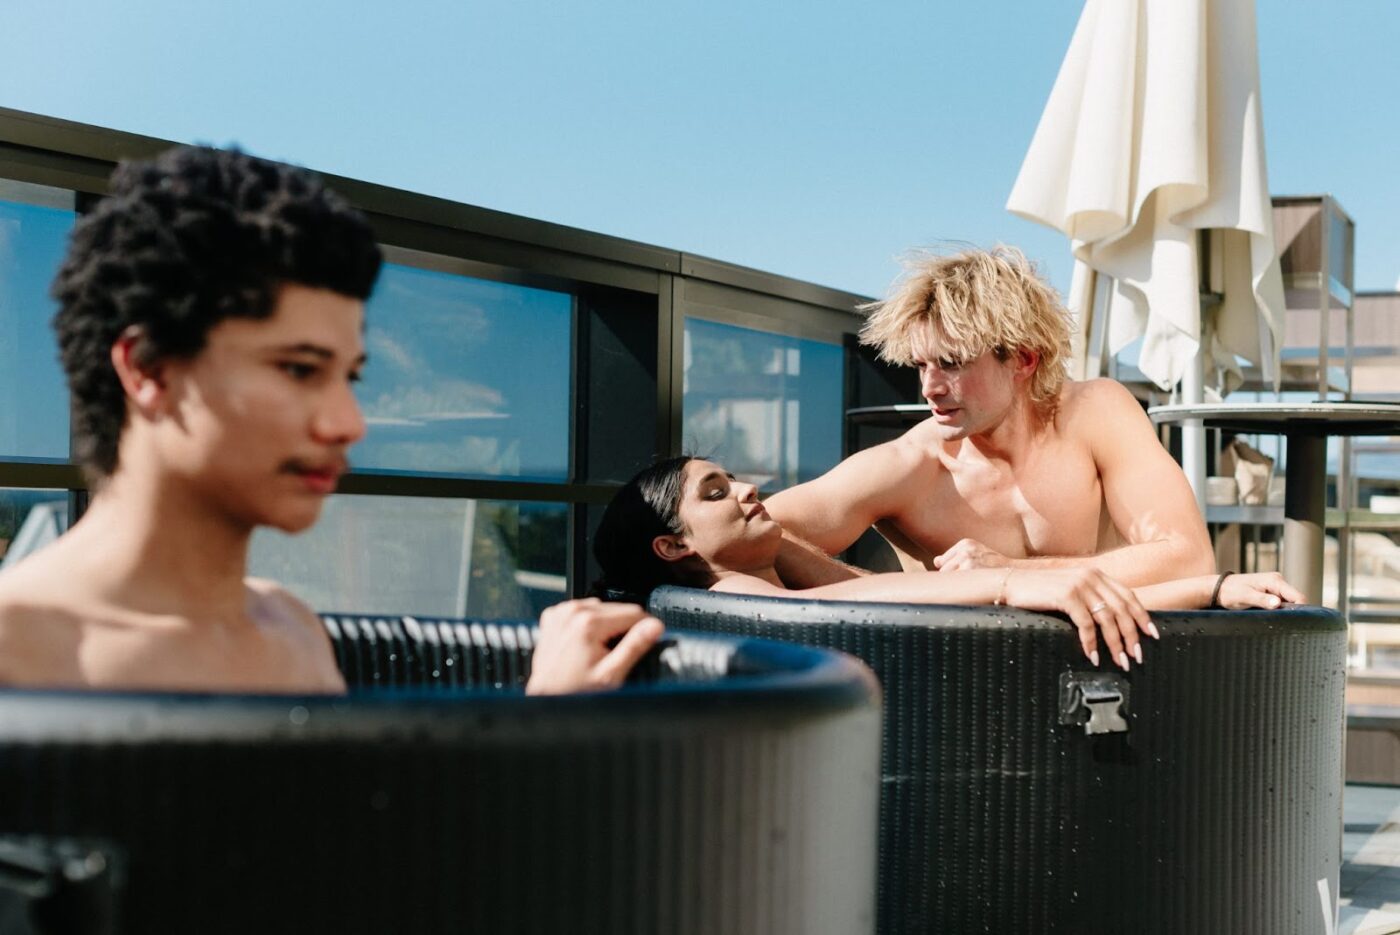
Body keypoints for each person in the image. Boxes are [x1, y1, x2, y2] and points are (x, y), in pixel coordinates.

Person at [0, 145, 659, 694]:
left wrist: (551, 717)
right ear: (148, 369)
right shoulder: (15, 649)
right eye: (297, 369)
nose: (348, 423)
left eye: (349, 376)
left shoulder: (291, 631)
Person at [765, 246, 1218, 589]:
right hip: (965, 682)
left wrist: (1010, 574)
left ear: (1023, 360)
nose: (930, 388)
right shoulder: (914, 467)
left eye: (953, 362)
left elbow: (1190, 560)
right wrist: (877, 591)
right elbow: (751, 532)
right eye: (922, 365)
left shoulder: (1094, 415)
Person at [593, 457, 1304, 669]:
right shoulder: (779, 610)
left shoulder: (745, 593)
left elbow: (875, 589)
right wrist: (1011, 581)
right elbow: (890, 599)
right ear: (674, 545)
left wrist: (1212, 585)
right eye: (715, 492)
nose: (747, 487)